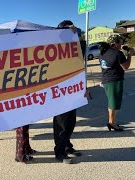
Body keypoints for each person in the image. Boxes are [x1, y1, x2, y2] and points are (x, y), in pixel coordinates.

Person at [52, 20, 89, 164]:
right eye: (66, 30)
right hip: (59, 92)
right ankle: (59, 152)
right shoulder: (53, 46)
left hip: (73, 91)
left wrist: (76, 36)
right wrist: (64, 32)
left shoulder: (75, 47)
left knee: (70, 122)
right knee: (61, 123)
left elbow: (82, 54)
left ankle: (67, 146)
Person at [99, 35, 135, 131]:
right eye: (120, 42)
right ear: (115, 43)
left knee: (112, 102)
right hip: (114, 81)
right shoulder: (117, 53)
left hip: (106, 80)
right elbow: (125, 67)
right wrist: (129, 55)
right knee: (114, 103)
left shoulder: (103, 51)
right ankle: (112, 123)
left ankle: (113, 121)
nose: (121, 44)